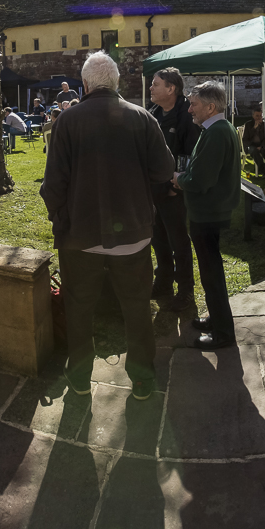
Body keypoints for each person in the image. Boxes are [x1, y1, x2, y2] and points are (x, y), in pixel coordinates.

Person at [40, 51, 173, 400]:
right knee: (137, 308)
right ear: (116, 83)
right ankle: (143, 380)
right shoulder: (143, 118)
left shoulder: (68, 121)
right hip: (132, 234)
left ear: (84, 85)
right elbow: (163, 171)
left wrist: (63, 222)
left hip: (80, 238)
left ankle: (80, 377)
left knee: (79, 309)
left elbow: (52, 185)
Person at [179, 81, 242, 350]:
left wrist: (179, 179)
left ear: (210, 106)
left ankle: (224, 333)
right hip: (209, 211)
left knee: (211, 273)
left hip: (208, 213)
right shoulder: (216, 128)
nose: (190, 108)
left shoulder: (217, 131)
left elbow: (201, 179)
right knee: (210, 271)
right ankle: (217, 319)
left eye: (194, 104)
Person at [147, 67, 201, 309]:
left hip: (174, 190)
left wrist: (176, 187)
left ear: (171, 89)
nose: (151, 88)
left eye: (155, 84)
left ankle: (186, 290)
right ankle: (164, 281)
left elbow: (190, 154)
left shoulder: (186, 114)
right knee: (158, 238)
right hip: (154, 190)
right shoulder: (153, 114)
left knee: (178, 240)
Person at [241, 104, 265, 173]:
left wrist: (261, 146)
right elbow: (246, 138)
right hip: (250, 145)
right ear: (253, 116)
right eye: (257, 116)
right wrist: (254, 128)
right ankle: (262, 169)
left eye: (260, 116)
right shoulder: (248, 124)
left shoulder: (263, 124)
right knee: (254, 151)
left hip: (260, 144)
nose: (259, 118)